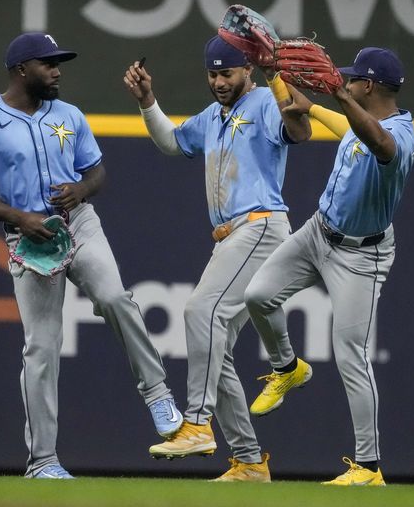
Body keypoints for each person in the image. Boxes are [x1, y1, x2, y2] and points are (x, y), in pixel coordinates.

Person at [0, 32, 182, 479]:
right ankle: (43, 462)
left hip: (78, 223)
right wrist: (20, 218)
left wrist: (80, 189)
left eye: (59, 63)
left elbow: (96, 171)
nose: (57, 71)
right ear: (22, 69)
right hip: (29, 238)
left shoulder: (69, 115)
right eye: (48, 64)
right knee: (41, 347)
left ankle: (157, 393)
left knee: (115, 298)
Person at [122, 36, 311, 482]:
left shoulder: (265, 100)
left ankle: (197, 424)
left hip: (260, 226)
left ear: (247, 70)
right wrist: (149, 101)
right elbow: (172, 142)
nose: (219, 81)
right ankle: (248, 462)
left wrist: (278, 80)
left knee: (200, 310)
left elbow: (298, 132)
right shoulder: (213, 116)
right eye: (213, 74)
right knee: (216, 344)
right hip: (230, 236)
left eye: (227, 73)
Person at [244, 47, 414, 486]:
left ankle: (369, 467)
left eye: (352, 78)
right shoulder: (358, 119)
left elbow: (378, 141)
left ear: (369, 86)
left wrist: (339, 97)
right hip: (318, 231)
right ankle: (288, 368)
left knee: (350, 356)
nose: (343, 80)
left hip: (362, 255)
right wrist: (317, 107)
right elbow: (352, 130)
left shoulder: (400, 135)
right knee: (258, 295)